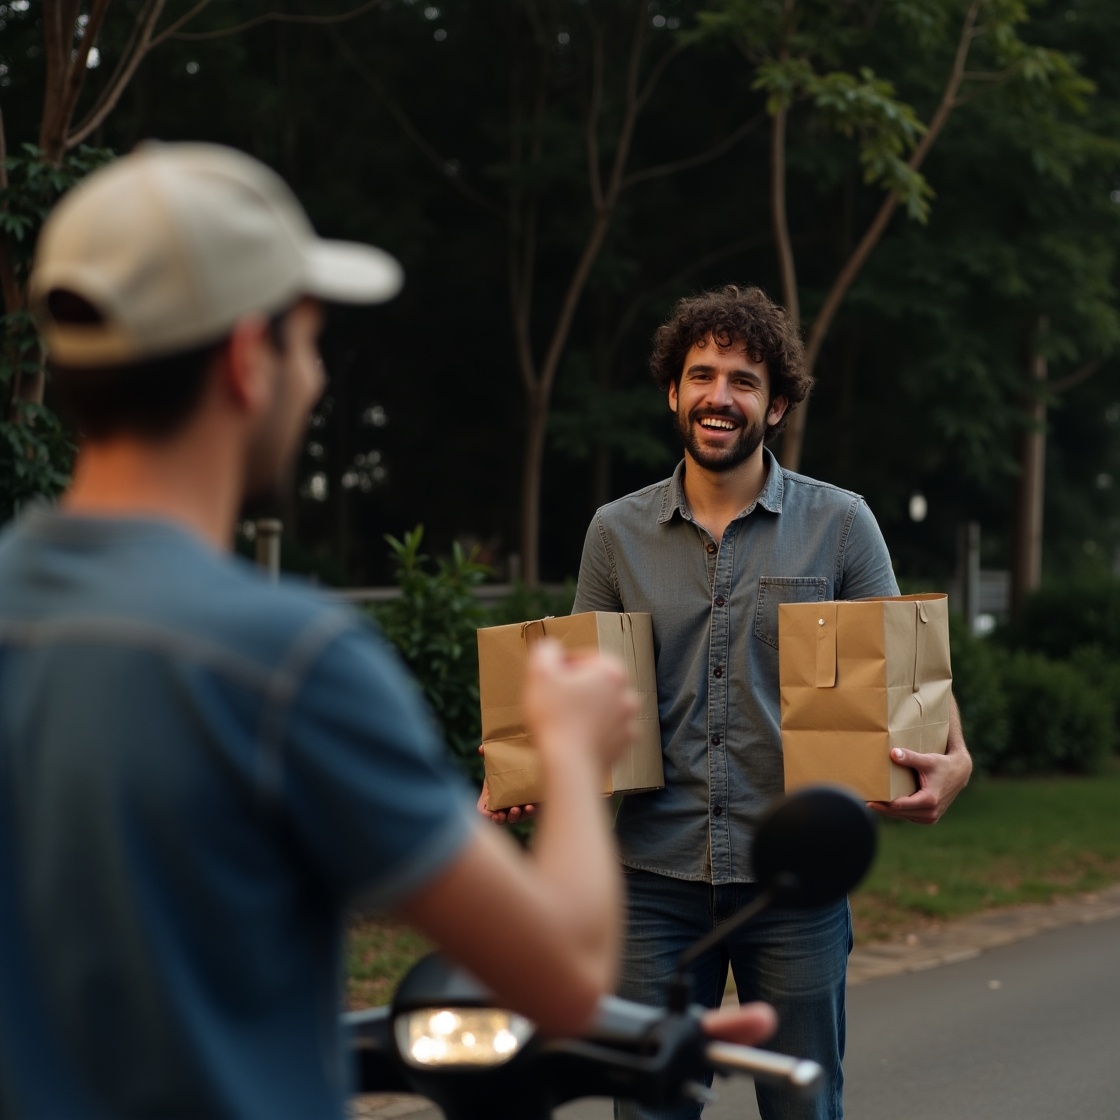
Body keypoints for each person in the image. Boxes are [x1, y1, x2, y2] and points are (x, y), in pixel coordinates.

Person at [0, 144, 774, 1120]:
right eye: (310, 342)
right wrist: (571, 755)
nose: (318, 378)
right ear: (248, 359)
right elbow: (569, 974)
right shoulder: (284, 664)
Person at [483, 284, 973, 1120]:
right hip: (649, 878)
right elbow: (583, 689)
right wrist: (531, 770)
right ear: (674, 392)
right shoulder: (614, 532)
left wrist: (954, 759)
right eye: (701, 374)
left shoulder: (842, 525)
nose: (719, 396)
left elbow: (914, 683)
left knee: (801, 1106)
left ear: (774, 405)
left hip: (795, 881)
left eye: (743, 380)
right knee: (647, 1106)